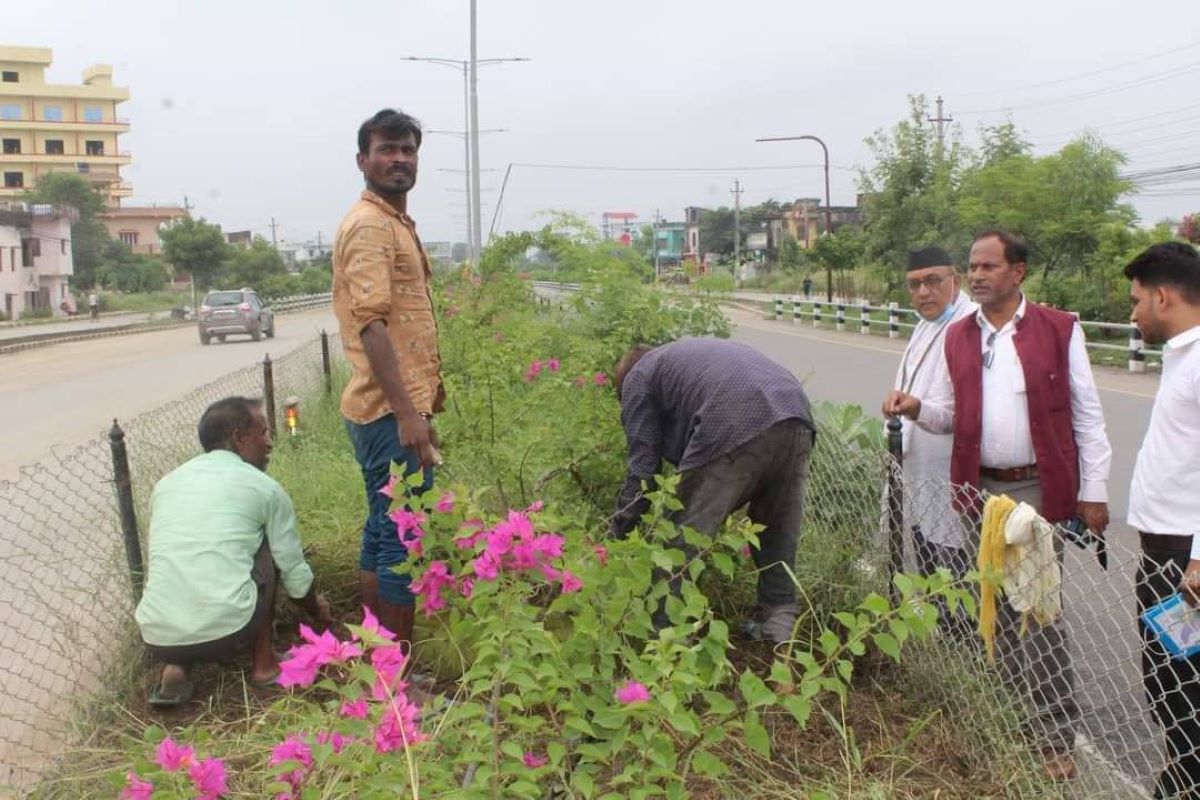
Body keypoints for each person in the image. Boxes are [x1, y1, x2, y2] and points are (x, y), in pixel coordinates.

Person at [887, 229, 1112, 781]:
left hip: (1033, 489)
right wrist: (918, 407)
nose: (980, 274)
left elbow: (1086, 415)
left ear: (1018, 272)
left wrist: (1095, 491)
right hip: (976, 488)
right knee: (995, 605)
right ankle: (1013, 716)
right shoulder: (960, 336)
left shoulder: (1058, 329)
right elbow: (956, 418)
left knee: (1038, 609)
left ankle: (1055, 734)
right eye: (974, 266)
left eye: (990, 266)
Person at [611, 338, 816, 644]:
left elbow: (643, 473)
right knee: (777, 531)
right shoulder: (680, 358)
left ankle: (666, 642)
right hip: (795, 410)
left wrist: (616, 536)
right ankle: (780, 633)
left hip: (735, 416)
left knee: (680, 538)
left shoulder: (638, 377)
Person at [333, 109, 445, 653]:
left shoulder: (393, 222)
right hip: (385, 413)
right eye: (386, 149)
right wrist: (407, 415)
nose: (399, 159)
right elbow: (370, 322)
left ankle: (375, 655)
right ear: (363, 160)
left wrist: (422, 410)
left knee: (384, 528)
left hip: (391, 410)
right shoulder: (370, 225)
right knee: (405, 537)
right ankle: (399, 676)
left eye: (407, 150)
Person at [135, 397, 331, 707]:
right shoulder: (263, 487)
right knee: (265, 548)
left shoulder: (166, 485)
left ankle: (176, 669)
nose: (269, 442)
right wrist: (316, 610)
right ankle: (265, 665)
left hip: (156, 636)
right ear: (239, 437)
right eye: (263, 432)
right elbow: (293, 570)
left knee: (185, 552)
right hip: (229, 631)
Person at [1124, 242, 1200, 799]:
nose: (1132, 314)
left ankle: (1184, 782)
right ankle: (1179, 775)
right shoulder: (1184, 354)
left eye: (1136, 301)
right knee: (1167, 682)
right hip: (1164, 555)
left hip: (1185, 563)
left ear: (1163, 296)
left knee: (1183, 687)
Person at [880, 246, 976, 610]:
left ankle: (962, 650)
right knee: (926, 559)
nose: (923, 292)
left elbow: (964, 412)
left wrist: (917, 408)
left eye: (933, 281)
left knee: (954, 573)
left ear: (956, 280)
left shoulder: (969, 327)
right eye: (915, 284)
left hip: (951, 475)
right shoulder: (925, 326)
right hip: (916, 471)